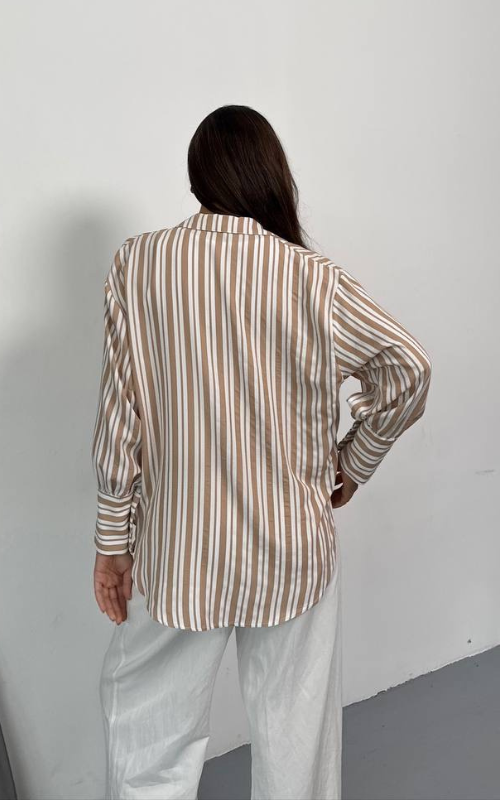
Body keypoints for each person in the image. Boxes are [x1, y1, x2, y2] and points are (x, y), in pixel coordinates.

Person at [91, 104, 432, 800]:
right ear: (271, 173)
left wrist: (112, 541)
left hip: (178, 548)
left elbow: (118, 417)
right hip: (291, 547)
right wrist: (353, 463)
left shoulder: (139, 264)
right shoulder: (311, 277)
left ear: (197, 176)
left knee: (149, 737)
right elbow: (409, 367)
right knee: (296, 743)